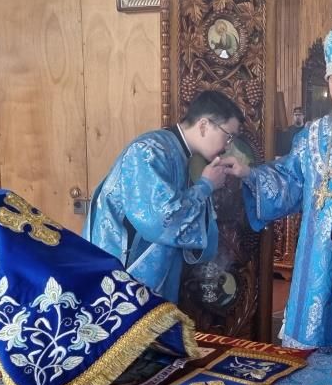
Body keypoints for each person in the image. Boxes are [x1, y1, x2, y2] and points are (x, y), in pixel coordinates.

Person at [221, 15, 332, 361]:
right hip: (315, 260)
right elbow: (289, 181)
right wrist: (249, 174)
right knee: (307, 357)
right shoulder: (313, 134)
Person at [84, 90, 244, 303]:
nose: (228, 146)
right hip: (123, 270)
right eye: (228, 135)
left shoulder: (178, 153)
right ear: (204, 125)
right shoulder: (149, 150)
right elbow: (161, 221)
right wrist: (206, 186)